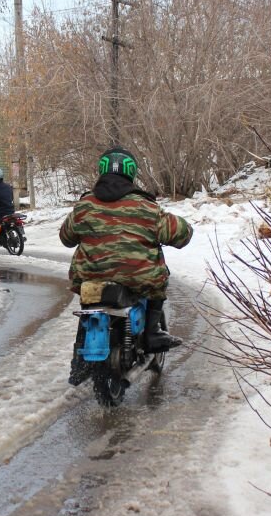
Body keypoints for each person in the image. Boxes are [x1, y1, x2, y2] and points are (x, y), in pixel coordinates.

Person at [59, 147, 193, 385]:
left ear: (101, 170)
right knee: (157, 281)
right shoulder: (147, 206)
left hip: (90, 278)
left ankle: (79, 361)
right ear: (131, 172)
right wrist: (185, 226)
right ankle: (152, 334)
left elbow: (66, 238)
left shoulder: (84, 206)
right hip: (138, 277)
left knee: (89, 302)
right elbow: (179, 234)